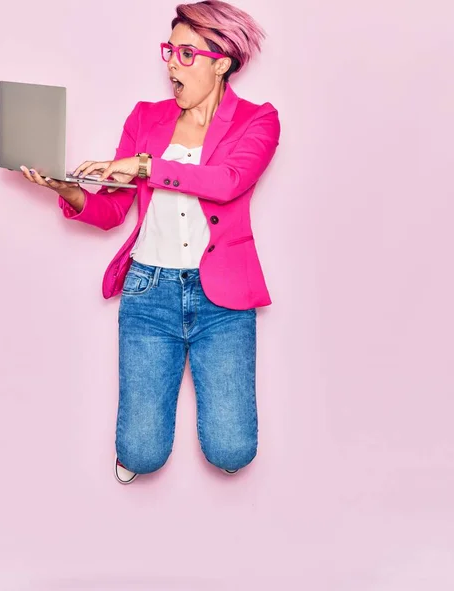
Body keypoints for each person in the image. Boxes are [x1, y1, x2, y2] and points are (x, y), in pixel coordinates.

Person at [19, 0, 280, 484]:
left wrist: (143, 166)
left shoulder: (258, 121)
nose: (169, 63)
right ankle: (135, 455)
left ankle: (227, 447)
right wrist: (70, 191)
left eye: (185, 54)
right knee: (140, 454)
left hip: (223, 298)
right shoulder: (145, 118)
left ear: (220, 62)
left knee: (233, 448)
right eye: (168, 50)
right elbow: (114, 211)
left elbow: (226, 181)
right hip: (148, 292)